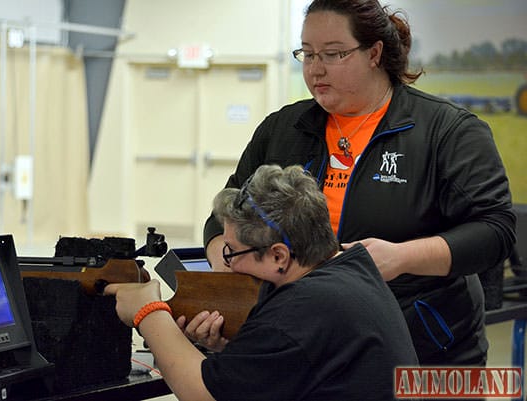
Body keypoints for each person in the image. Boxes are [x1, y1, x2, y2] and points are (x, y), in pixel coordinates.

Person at [200, 0, 516, 366]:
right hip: (303, 344)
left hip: (424, 350)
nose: (315, 70)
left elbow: (495, 232)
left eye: (333, 54)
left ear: (374, 54)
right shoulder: (282, 130)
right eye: (307, 54)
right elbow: (224, 217)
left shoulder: (448, 131)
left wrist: (399, 259)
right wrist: (229, 281)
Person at [105, 164, 419, 401]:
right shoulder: (351, 269)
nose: (227, 265)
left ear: (279, 256)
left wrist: (149, 312)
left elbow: (204, 394)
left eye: (232, 252)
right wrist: (236, 349)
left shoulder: (302, 309)